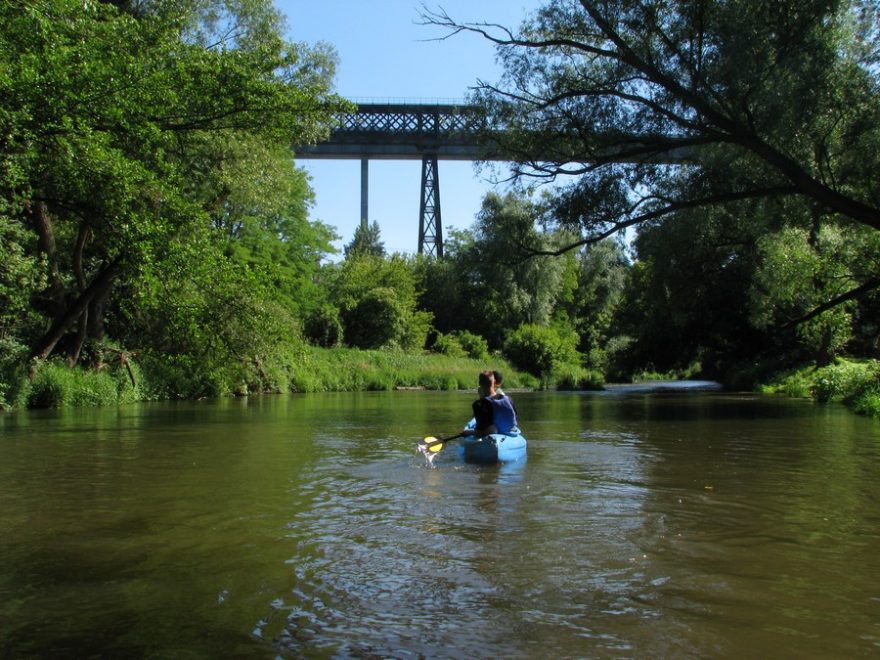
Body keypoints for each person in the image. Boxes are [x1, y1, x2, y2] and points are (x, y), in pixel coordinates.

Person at [464, 370, 519, 438]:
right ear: (495, 382)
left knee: (488, 429)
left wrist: (468, 432)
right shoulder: (508, 399)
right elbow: (516, 419)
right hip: (510, 430)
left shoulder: (479, 404)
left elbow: (480, 431)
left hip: (492, 433)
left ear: (480, 383)